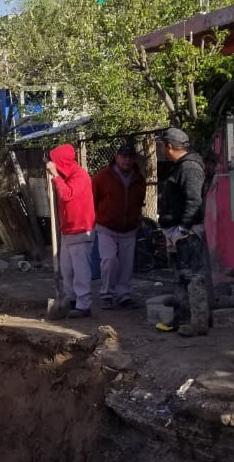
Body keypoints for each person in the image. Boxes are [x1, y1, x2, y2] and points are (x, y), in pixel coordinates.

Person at [156, 127, 211, 336]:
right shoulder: (180, 167)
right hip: (177, 231)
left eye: (162, 146)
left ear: (169, 146)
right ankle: (181, 319)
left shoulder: (189, 168)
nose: (161, 149)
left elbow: (194, 201)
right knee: (180, 277)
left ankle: (198, 322)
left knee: (193, 276)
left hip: (186, 232)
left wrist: (184, 228)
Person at [93, 142, 147, 309]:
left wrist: (136, 220)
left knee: (126, 265)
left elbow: (139, 201)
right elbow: (92, 199)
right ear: (116, 157)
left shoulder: (139, 179)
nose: (127, 160)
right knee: (109, 260)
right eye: (123, 157)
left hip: (129, 228)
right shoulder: (102, 177)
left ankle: (123, 294)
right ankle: (107, 294)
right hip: (106, 226)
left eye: (130, 157)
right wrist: (94, 220)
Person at [46, 143, 96, 319]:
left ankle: (84, 304)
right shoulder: (65, 176)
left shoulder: (79, 176)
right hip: (67, 229)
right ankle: (71, 299)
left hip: (80, 228)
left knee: (80, 269)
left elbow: (67, 195)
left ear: (61, 161)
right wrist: (55, 178)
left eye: (54, 161)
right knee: (67, 268)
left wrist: (55, 176)